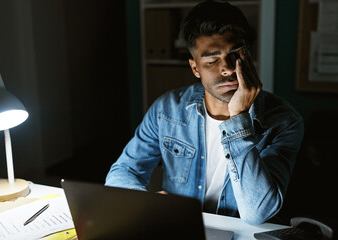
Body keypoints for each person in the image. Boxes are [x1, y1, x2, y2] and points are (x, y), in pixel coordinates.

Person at [106, 0, 304, 225]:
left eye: (235, 55)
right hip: (179, 229)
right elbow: (123, 171)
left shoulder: (284, 121)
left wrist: (238, 118)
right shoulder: (167, 110)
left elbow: (257, 213)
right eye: (212, 60)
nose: (228, 68)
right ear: (195, 68)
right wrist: (145, 201)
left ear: (248, 55)